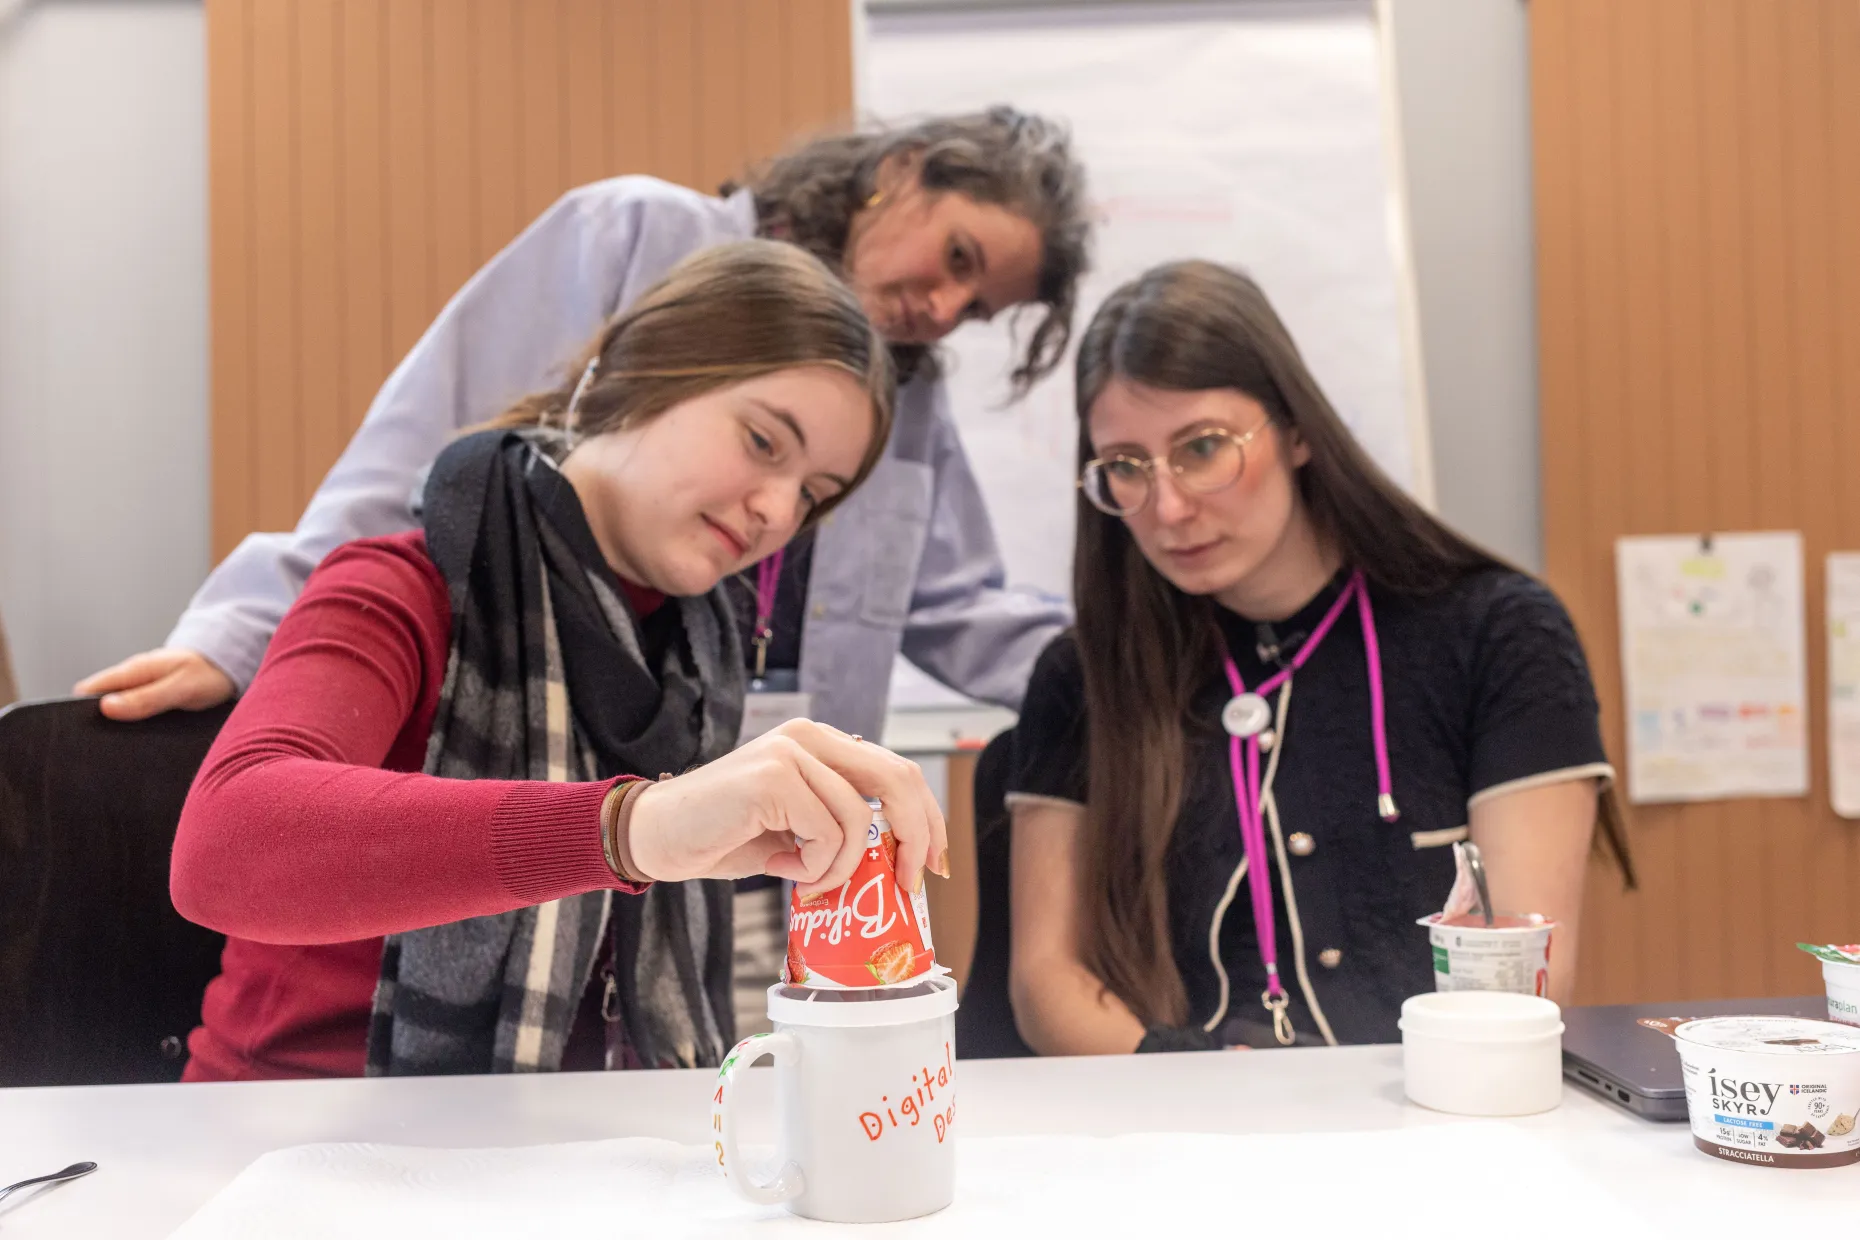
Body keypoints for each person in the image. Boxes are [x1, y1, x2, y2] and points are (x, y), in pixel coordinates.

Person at [170, 241, 948, 1081]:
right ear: (635, 369)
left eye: (814, 495)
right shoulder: (403, 585)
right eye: (763, 441)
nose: (775, 510)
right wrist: (629, 830)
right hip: (302, 1132)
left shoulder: (700, 659)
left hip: (565, 1143)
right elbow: (224, 844)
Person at [77, 106, 1091, 742]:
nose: (946, 310)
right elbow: (418, 457)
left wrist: (1139, 662)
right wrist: (251, 632)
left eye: (982, 307)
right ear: (900, 171)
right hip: (534, 761)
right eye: (959, 258)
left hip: (764, 827)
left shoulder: (908, 402)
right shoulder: (640, 236)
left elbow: (964, 611)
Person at [1004, 261, 1632, 1056]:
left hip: (1432, 1126)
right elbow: (1045, 982)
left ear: (1297, 431)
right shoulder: (1083, 676)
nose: (1167, 508)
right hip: (1183, 1138)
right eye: (1127, 467)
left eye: (1203, 448)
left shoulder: (1499, 634)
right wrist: (1199, 1090)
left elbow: (1524, 973)